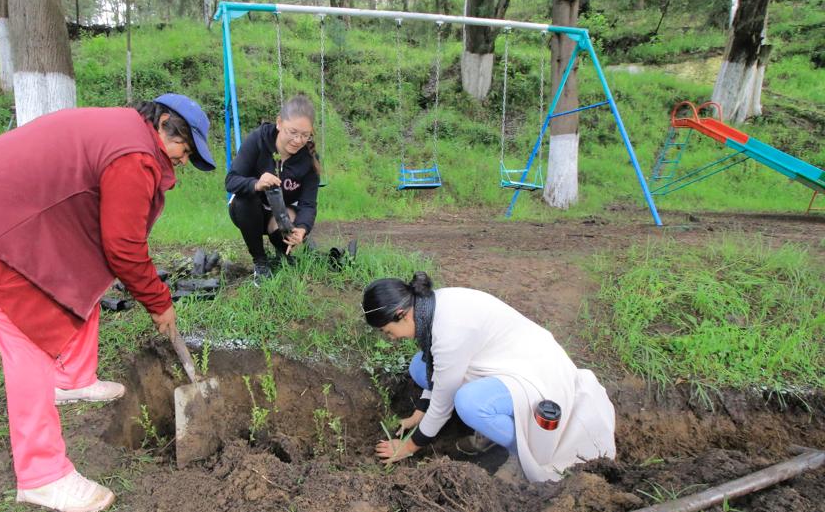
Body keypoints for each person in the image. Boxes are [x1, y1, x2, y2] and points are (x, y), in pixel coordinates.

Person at [0, 94, 216, 512]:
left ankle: (72, 379)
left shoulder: (127, 134)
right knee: (28, 334)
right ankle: (42, 475)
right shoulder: (134, 155)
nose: (184, 160)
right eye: (186, 148)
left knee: (82, 275)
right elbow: (124, 247)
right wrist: (159, 302)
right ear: (164, 123)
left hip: (9, 213)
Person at [362, 273, 616, 482]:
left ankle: (522, 453)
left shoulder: (450, 329)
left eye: (388, 331)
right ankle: (493, 430)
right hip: (499, 359)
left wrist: (408, 447)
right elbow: (433, 367)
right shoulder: (428, 306)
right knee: (419, 366)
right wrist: (420, 412)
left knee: (469, 403)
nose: (391, 338)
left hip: (535, 371)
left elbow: (443, 402)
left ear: (401, 313)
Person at [225, 94, 321, 284]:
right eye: (292, 132)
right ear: (279, 123)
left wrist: (302, 229)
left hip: (281, 215)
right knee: (246, 198)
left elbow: (308, 204)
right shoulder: (258, 140)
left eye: (305, 135)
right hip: (248, 213)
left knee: (292, 227)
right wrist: (256, 184)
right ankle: (260, 262)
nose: (298, 140)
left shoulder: (309, 159)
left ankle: (282, 253)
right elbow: (231, 181)